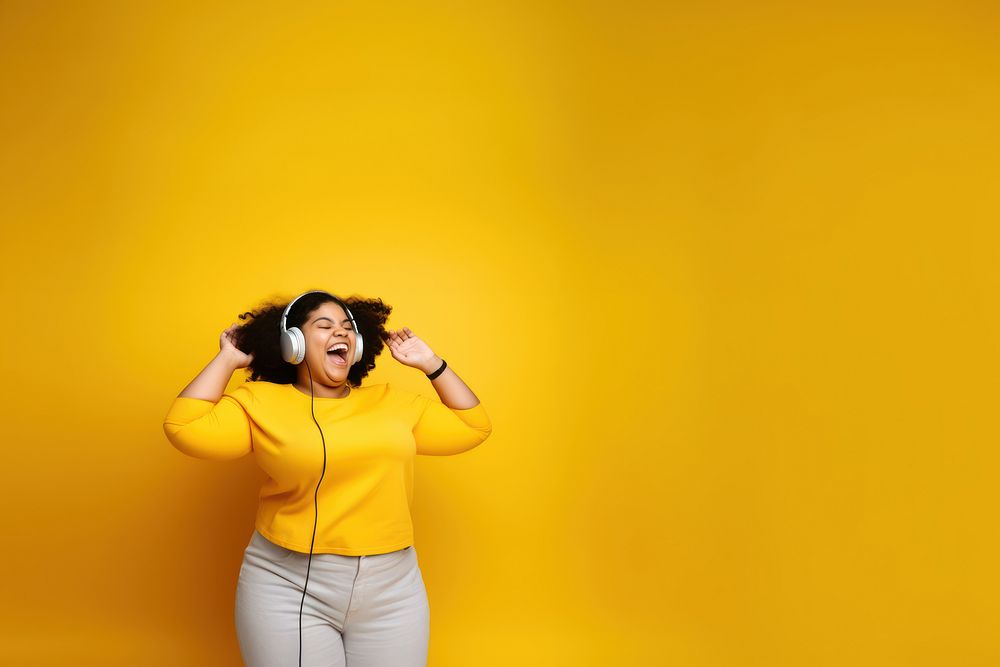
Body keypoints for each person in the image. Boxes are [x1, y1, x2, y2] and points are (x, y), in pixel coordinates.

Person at [162, 289, 493, 667]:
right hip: (289, 582)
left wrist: (431, 364)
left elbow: (474, 426)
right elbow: (183, 428)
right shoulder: (260, 402)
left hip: (394, 585)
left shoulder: (392, 402)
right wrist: (227, 359)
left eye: (348, 327)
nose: (342, 333)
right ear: (294, 344)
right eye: (325, 325)